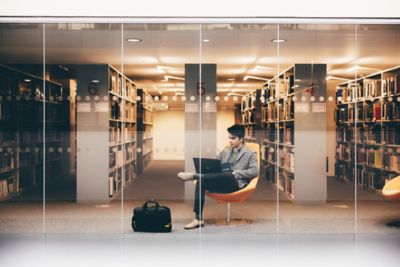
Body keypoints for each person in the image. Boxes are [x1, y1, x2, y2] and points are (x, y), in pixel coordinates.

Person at [177, 124, 258, 230]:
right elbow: (215, 163)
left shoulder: (250, 153)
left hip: (235, 184)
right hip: (221, 180)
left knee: (229, 173)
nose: (230, 141)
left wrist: (236, 173)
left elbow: (254, 171)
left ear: (241, 138)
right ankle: (198, 218)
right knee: (201, 181)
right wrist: (209, 166)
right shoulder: (226, 150)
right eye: (229, 138)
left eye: (233, 138)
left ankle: (194, 176)